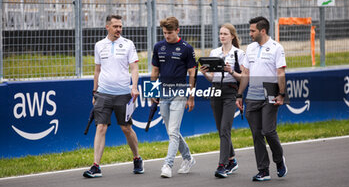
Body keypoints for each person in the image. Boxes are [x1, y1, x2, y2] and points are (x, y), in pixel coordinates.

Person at [83, 15, 144, 178]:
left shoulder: (128, 44)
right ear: (107, 27)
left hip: (123, 94)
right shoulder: (99, 45)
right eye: (115, 26)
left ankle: (137, 158)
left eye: (120, 26)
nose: (119, 29)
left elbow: (134, 68)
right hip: (103, 93)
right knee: (101, 127)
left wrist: (135, 87)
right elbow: (97, 70)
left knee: (126, 128)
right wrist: (94, 92)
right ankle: (96, 166)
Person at [236, 16, 288, 181]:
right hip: (252, 95)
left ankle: (279, 160)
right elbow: (245, 73)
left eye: (252, 30)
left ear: (262, 31)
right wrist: (239, 95)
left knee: (268, 131)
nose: (250, 33)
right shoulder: (250, 48)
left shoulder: (276, 48)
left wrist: (282, 94)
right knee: (257, 133)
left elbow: (280, 73)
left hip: (270, 93)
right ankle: (263, 170)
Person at [151, 16, 196, 178]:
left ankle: (167, 165)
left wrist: (191, 96)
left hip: (179, 92)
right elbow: (155, 71)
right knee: (172, 131)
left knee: (173, 130)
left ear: (177, 30)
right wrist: (152, 92)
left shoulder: (186, 48)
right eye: (164, 33)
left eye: (169, 33)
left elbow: (192, 73)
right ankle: (188, 158)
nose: (167, 36)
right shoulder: (158, 47)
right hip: (163, 92)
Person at [200, 23, 245, 178]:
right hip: (215, 90)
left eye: (225, 34)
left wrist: (231, 71)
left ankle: (222, 165)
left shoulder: (239, 53)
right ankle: (232, 160)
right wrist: (204, 73)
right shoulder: (214, 52)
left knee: (225, 128)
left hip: (230, 91)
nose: (222, 36)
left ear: (232, 36)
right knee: (221, 129)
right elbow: (212, 77)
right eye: (220, 34)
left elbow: (244, 77)